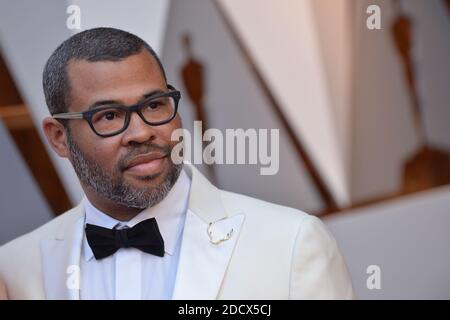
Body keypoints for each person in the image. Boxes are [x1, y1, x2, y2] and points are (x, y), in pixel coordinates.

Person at [0, 27, 354, 300]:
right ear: (59, 137)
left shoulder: (291, 243)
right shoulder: (15, 267)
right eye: (108, 115)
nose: (141, 132)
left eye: (154, 105)